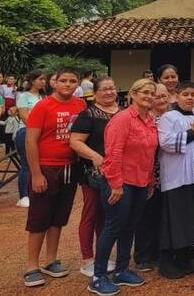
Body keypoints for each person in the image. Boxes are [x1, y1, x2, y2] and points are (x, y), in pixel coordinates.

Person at [89, 78, 158, 295]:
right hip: (120, 182)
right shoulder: (123, 119)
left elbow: (149, 154)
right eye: (144, 92)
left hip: (140, 182)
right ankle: (98, 276)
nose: (149, 96)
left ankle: (121, 269)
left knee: (130, 227)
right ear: (133, 95)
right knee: (113, 227)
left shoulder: (149, 121)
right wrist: (116, 185)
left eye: (152, 93)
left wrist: (150, 181)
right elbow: (113, 153)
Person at [23, 68, 86, 288]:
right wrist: (36, 173)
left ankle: (51, 260)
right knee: (39, 217)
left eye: (72, 81)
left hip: (70, 166)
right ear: (54, 83)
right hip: (47, 167)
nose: (68, 85)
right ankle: (32, 265)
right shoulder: (43, 106)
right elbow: (30, 141)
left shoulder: (80, 105)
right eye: (64, 81)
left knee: (59, 216)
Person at [69, 76, 120, 278]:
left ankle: (103, 254)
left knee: (106, 214)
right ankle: (87, 257)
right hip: (93, 172)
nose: (109, 92)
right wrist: (95, 157)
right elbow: (75, 142)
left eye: (112, 88)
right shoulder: (88, 115)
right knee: (91, 212)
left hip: (116, 172)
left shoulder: (122, 113)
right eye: (104, 89)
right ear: (95, 93)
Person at [157, 79, 194, 279]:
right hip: (176, 176)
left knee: (188, 218)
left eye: (193, 95)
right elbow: (166, 143)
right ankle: (167, 260)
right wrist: (193, 132)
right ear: (176, 96)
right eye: (185, 94)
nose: (189, 98)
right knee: (174, 219)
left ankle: (183, 255)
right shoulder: (168, 117)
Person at [132, 83, 170, 271]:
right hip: (149, 173)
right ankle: (143, 255)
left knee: (163, 213)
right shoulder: (147, 119)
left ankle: (160, 249)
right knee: (147, 214)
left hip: (169, 174)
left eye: (165, 96)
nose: (162, 100)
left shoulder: (172, 117)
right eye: (157, 96)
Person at [15, 71, 47, 208]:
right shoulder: (23, 96)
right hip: (26, 132)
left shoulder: (43, 97)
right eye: (40, 79)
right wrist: (36, 129)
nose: (43, 82)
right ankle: (23, 196)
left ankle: (35, 192)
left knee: (39, 163)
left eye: (44, 79)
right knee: (27, 164)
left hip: (42, 133)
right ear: (32, 81)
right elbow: (24, 116)